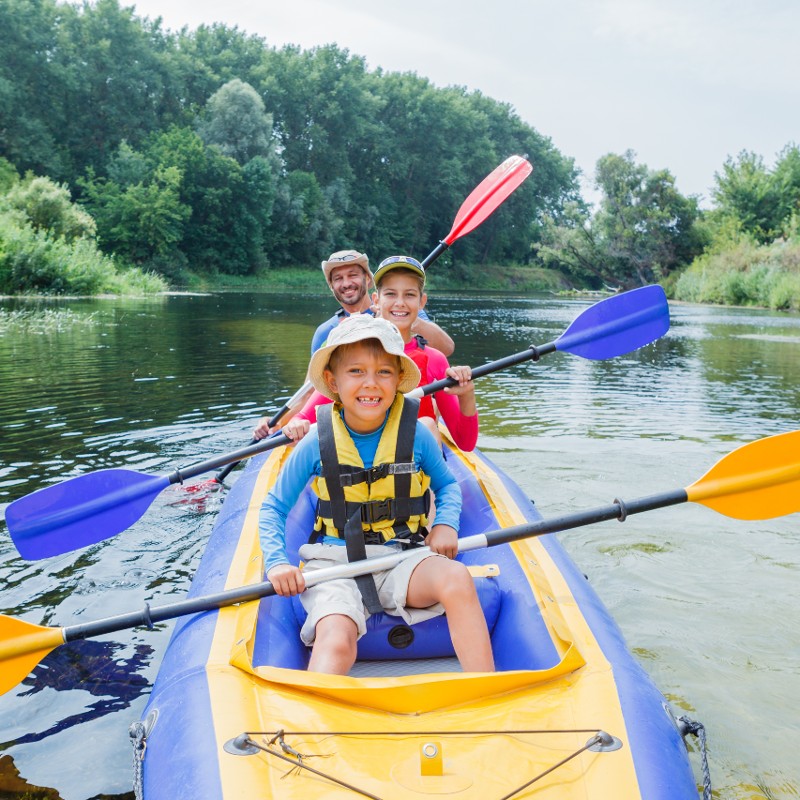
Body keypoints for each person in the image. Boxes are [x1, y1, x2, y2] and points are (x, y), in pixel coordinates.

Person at [259, 314, 494, 676]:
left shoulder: (415, 434)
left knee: (457, 578)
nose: (371, 384)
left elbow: (446, 486)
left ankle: (486, 693)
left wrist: (445, 524)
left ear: (399, 380)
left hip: (403, 556)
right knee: (335, 637)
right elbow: (273, 507)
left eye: (384, 372)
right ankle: (314, 724)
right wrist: (277, 562)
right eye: (356, 372)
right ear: (333, 382)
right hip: (334, 566)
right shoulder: (315, 443)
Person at [281, 255, 478, 452]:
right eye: (391, 294)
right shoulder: (351, 352)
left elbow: (465, 443)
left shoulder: (435, 360)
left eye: (409, 295)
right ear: (376, 300)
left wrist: (467, 394)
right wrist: (297, 424)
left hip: (410, 470)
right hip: (359, 464)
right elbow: (304, 416)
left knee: (427, 423)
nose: (400, 303)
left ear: (421, 302)